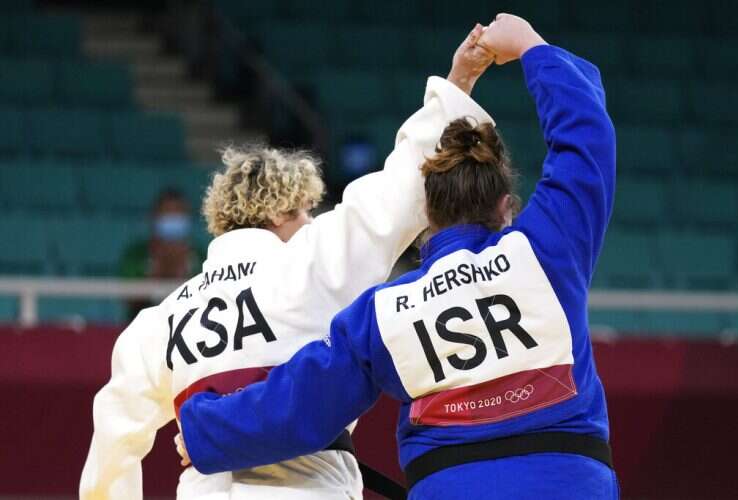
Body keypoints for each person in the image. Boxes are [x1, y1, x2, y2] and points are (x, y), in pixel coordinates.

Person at [178, 14, 618, 499]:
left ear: (425, 213)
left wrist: (206, 431)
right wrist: (532, 47)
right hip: (568, 483)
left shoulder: (383, 312)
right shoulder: (546, 247)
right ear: (505, 207)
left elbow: (301, 403)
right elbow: (586, 141)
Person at [79, 24, 495, 500]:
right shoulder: (308, 263)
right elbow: (398, 189)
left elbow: (114, 439)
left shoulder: (159, 322)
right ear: (279, 210)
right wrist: (458, 83)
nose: (309, 222)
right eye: (304, 211)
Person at [120, 189, 204, 320]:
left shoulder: (202, 256)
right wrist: (157, 272)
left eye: (178, 214)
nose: (173, 220)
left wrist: (182, 273)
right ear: (154, 218)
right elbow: (126, 298)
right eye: (167, 214)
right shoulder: (135, 254)